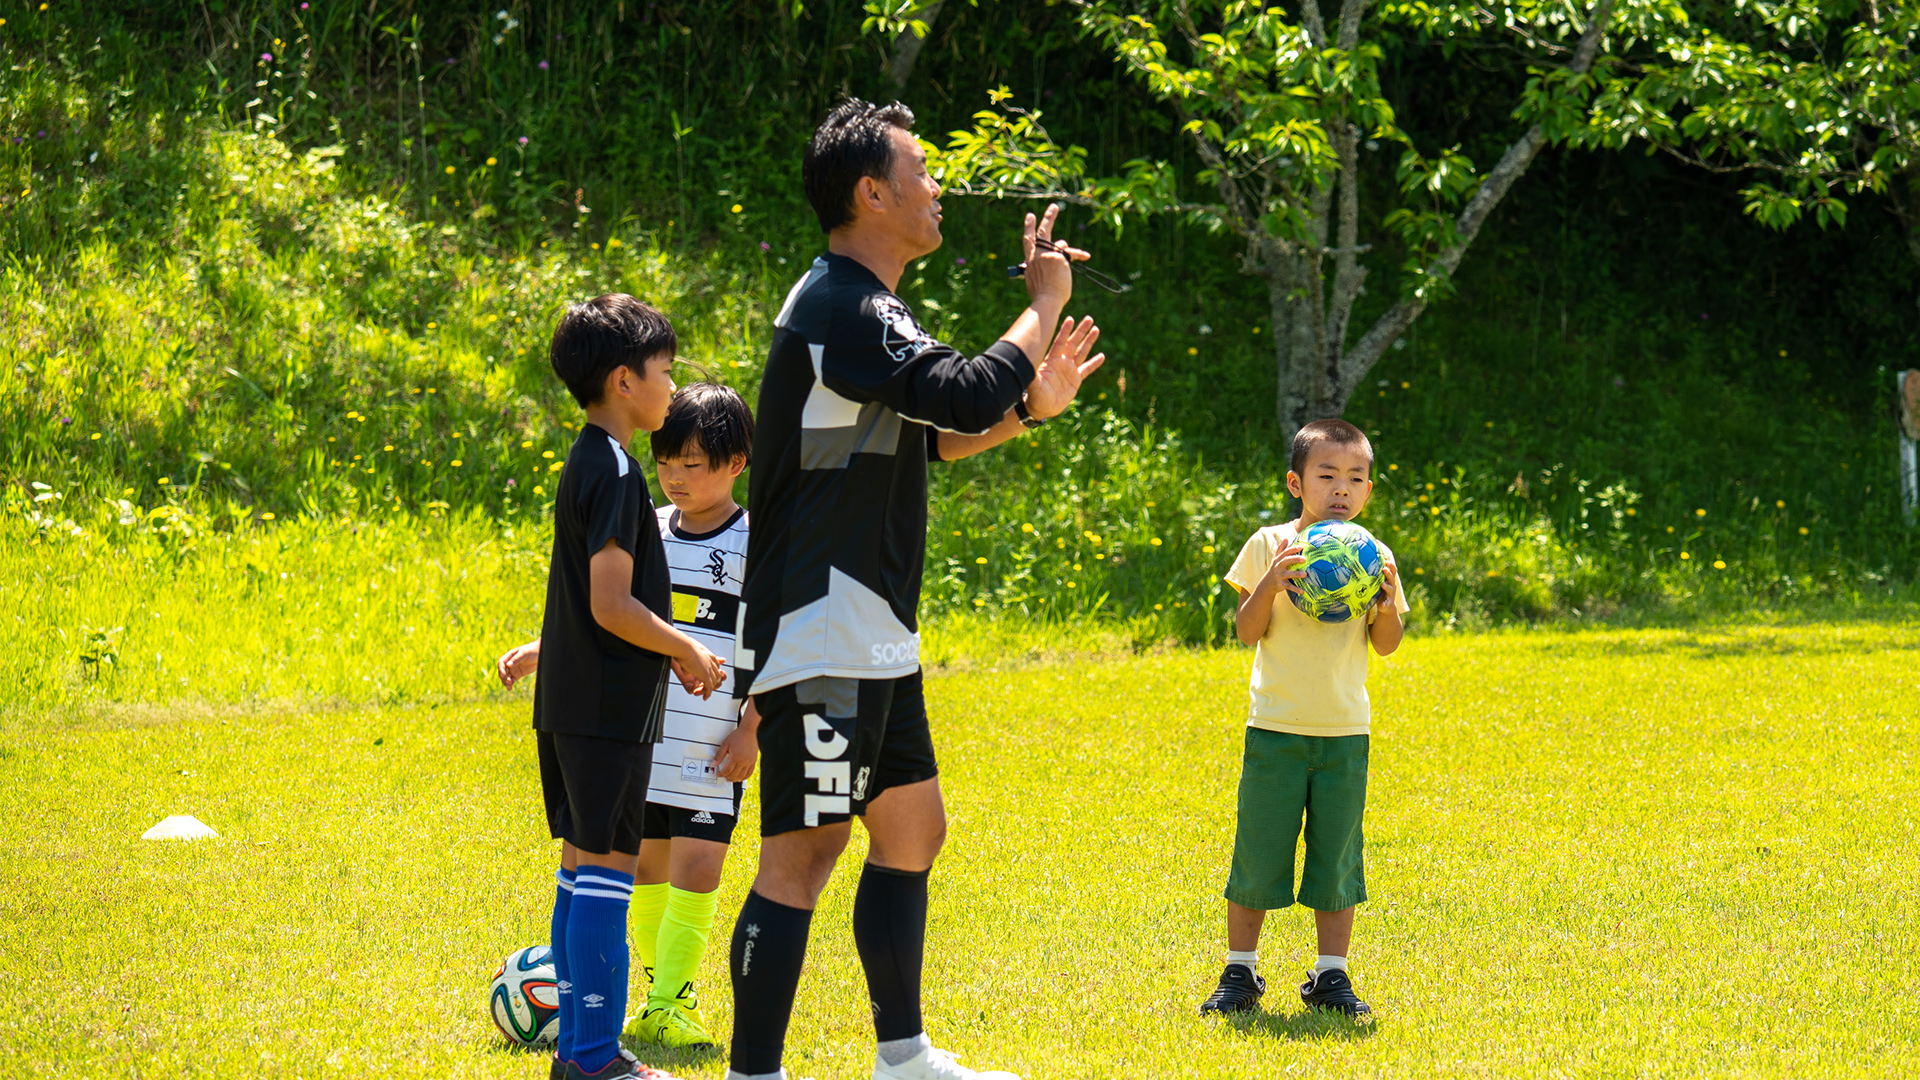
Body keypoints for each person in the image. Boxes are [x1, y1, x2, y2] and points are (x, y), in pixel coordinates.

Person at [723, 98, 1106, 1080]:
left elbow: (938, 433)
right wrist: (1045, 302)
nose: (937, 187)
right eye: (922, 170)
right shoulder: (839, 306)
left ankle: (904, 1058)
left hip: (871, 628)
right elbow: (967, 390)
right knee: (802, 858)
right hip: (820, 623)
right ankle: (751, 1073)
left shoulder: (867, 308)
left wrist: (1033, 408)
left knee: (910, 829)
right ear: (871, 191)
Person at [499, 382, 762, 1052]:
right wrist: (544, 650)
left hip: (713, 744)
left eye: (692, 464)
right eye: (666, 461)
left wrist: (752, 728)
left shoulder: (757, 546)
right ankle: (655, 994)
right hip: (640, 734)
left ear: (736, 464)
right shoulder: (644, 523)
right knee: (641, 871)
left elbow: (780, 649)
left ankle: (673, 1001)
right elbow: (606, 609)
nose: (674, 477)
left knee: (699, 869)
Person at [526, 294, 726, 1080]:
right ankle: (597, 1058)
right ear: (622, 380)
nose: (672, 389)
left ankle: (578, 1056)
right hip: (607, 711)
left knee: (582, 867)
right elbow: (611, 604)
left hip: (577, 706)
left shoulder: (593, 459)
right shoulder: (612, 470)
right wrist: (683, 647)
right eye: (665, 373)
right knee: (607, 870)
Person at [1200, 418, 1408, 1020]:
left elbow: (1388, 643)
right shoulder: (1270, 544)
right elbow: (1245, 630)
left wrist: (1386, 600)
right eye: (1327, 475)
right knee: (1260, 851)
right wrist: (1269, 582)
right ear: (1297, 482)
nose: (1341, 488)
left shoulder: (1373, 555)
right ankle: (1240, 969)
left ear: (1368, 490)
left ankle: (1331, 976)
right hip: (1276, 729)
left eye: (1355, 478)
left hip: (1344, 732)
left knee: (1336, 857)